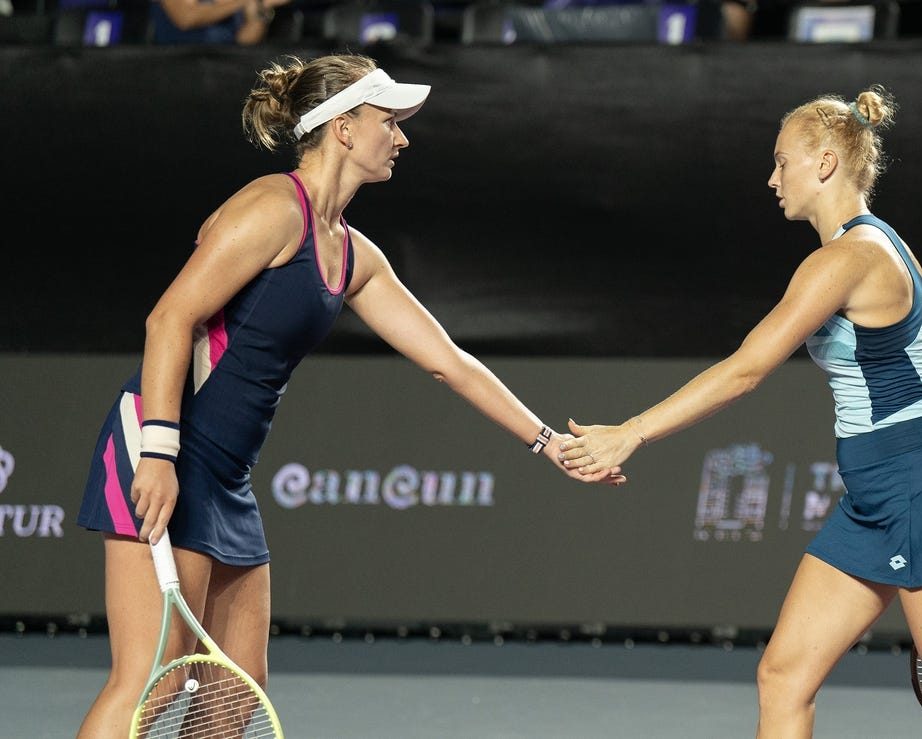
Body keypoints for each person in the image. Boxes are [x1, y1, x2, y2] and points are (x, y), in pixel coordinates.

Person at [75, 53, 624, 738]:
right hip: (166, 448)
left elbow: (449, 362)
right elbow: (169, 319)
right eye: (388, 122)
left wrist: (550, 443)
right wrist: (157, 453)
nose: (402, 138)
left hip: (226, 476)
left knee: (235, 691)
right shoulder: (272, 208)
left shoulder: (354, 254)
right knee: (151, 677)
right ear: (342, 128)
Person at [558, 86, 922, 738]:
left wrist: (630, 431)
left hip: (920, 490)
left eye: (781, 162)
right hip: (879, 496)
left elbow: (746, 369)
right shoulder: (889, 246)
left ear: (824, 162)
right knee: (784, 676)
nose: (772, 179)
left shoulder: (846, 259)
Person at [151, 0, 289, 45]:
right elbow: (186, 18)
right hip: (177, 64)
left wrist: (261, 8)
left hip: (224, 68)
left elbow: (246, 40)